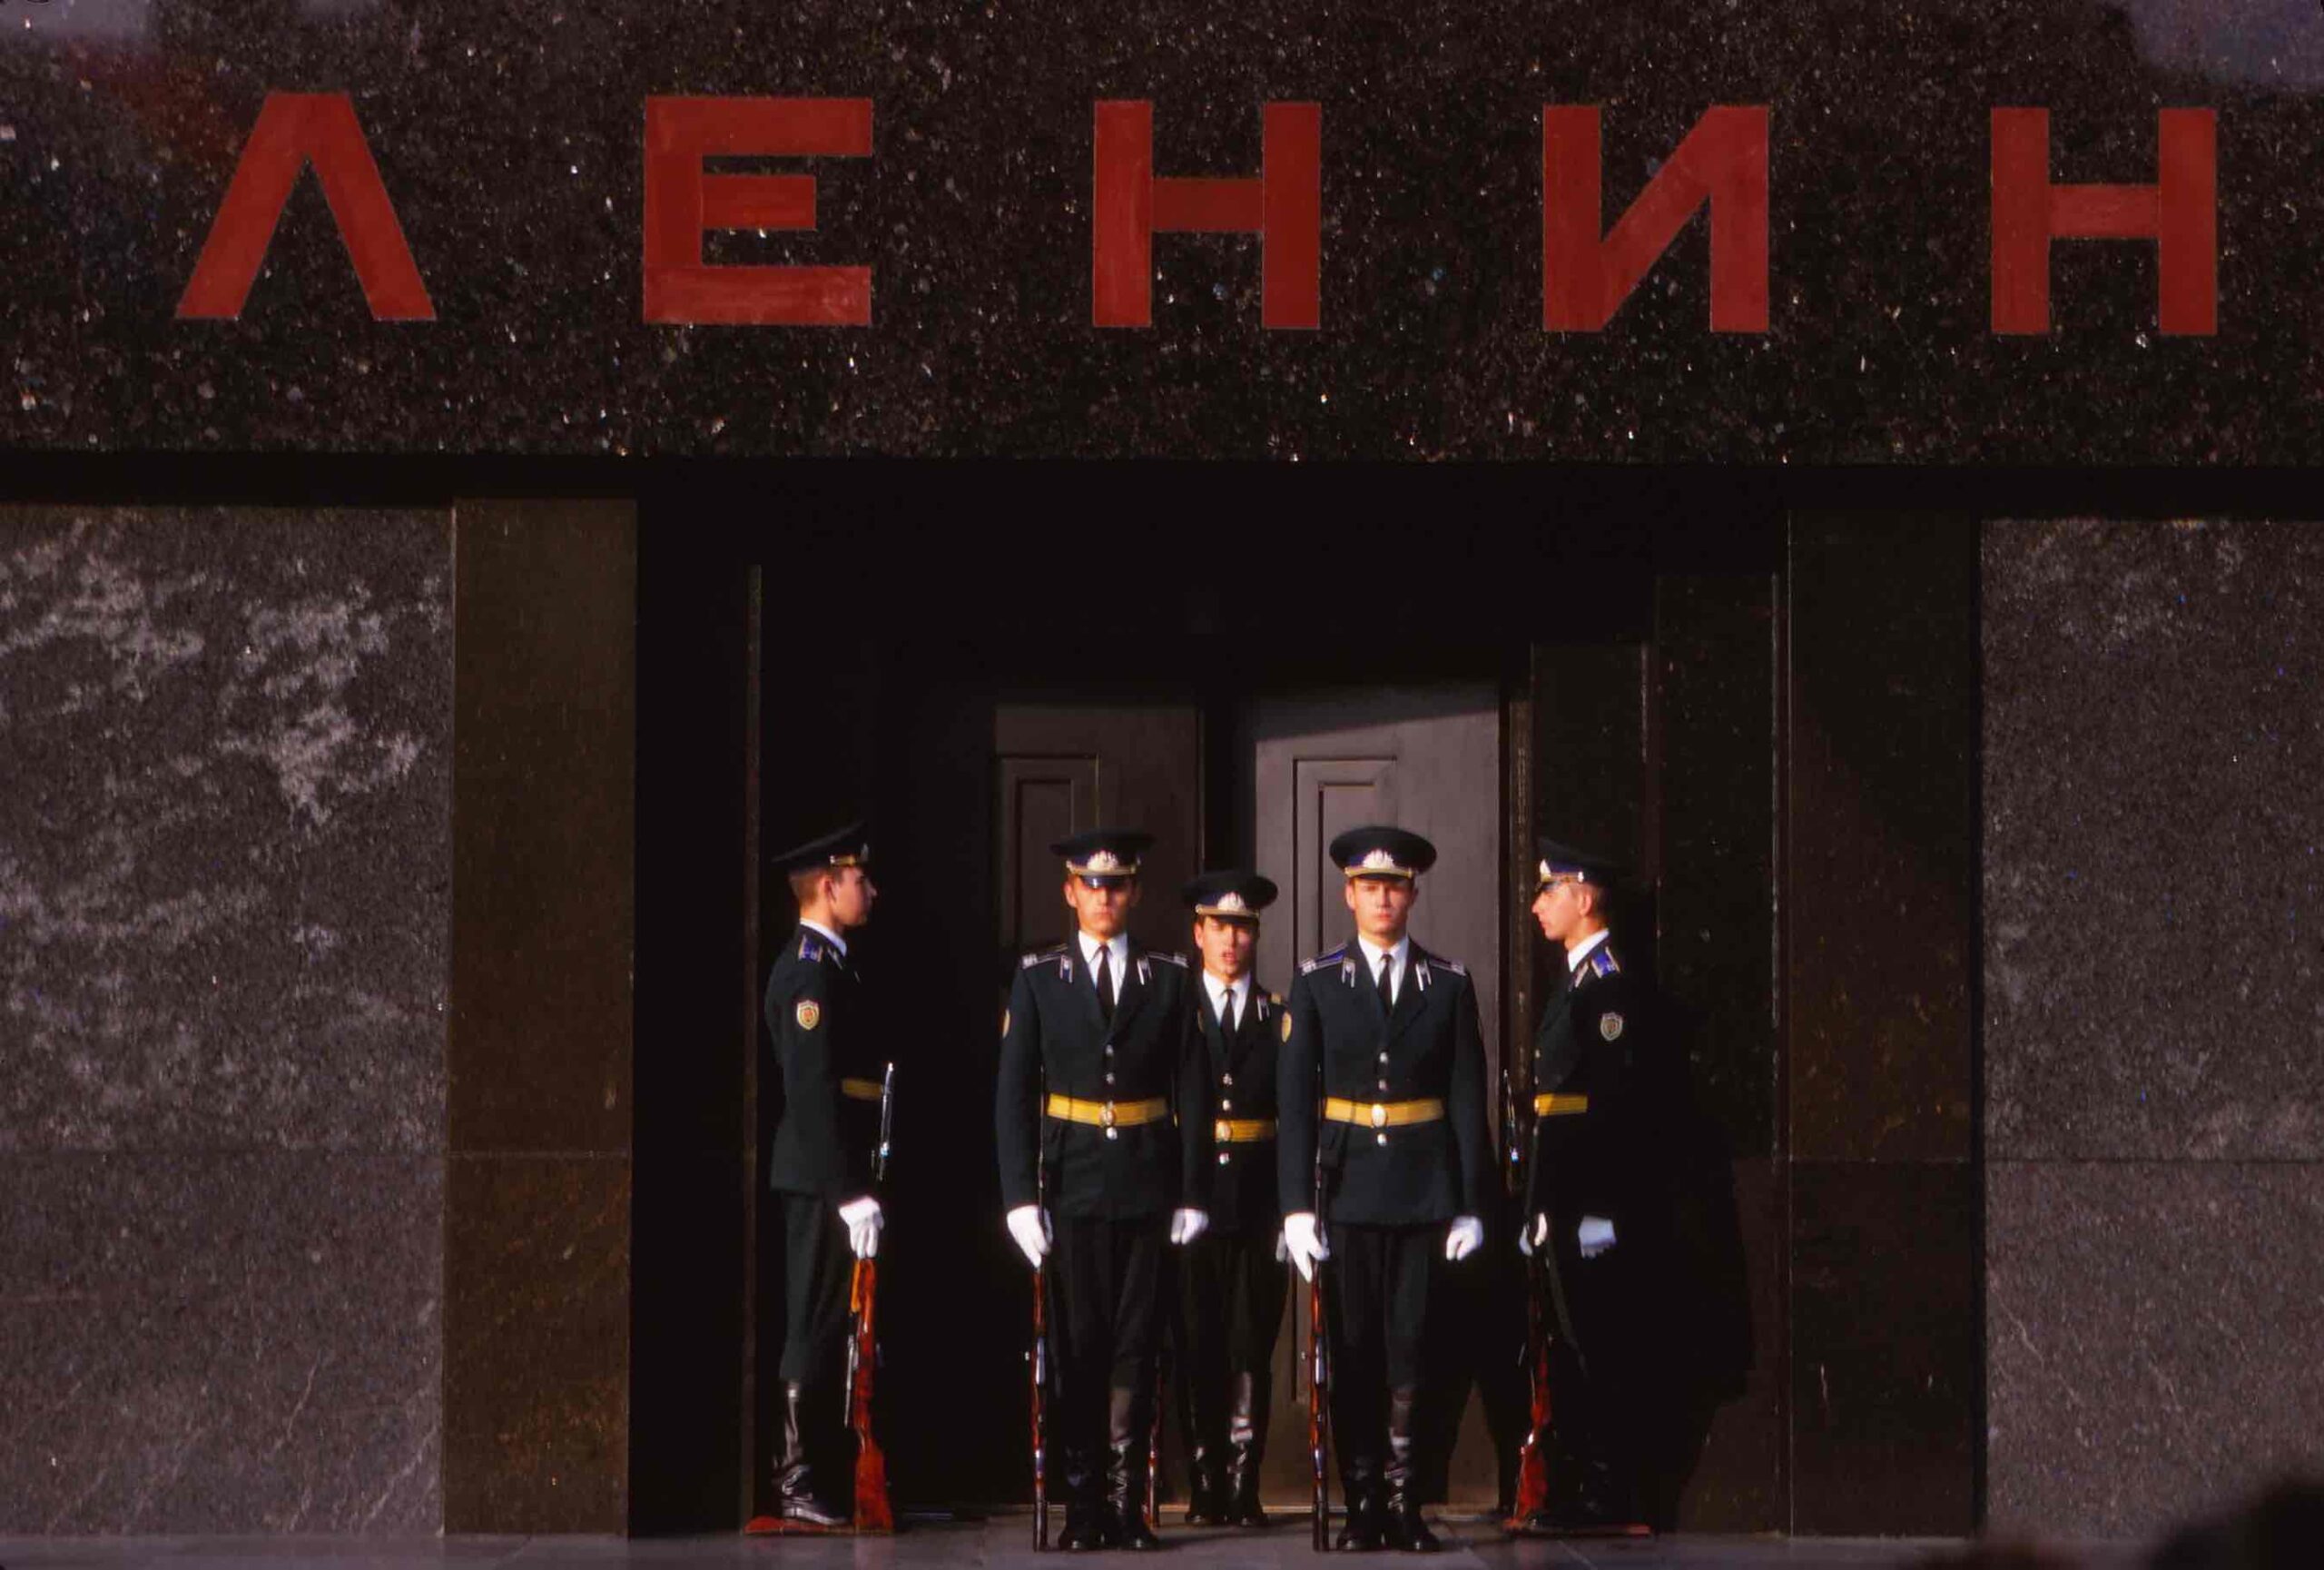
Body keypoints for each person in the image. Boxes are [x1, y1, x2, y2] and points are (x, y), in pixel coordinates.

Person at [997, 828, 1213, 1551]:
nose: (1104, 896)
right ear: (1069, 892)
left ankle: (1129, 1505)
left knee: (1137, 1347)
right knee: (1079, 1347)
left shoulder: (1171, 979)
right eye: (1091, 885)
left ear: (1135, 893)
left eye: (1117, 884)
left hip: (1147, 1184)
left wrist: (1191, 1192)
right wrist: (1019, 1197)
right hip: (1073, 1185)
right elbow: (1013, 1095)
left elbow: (1194, 1089)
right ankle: (1083, 1504)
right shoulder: (1037, 980)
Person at [1278, 825, 1491, 1554]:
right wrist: (1296, 1208)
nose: (1382, 897)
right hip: (1345, 1194)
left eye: (1394, 885)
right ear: (1348, 893)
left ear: (1412, 894)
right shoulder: (1315, 983)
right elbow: (1295, 1105)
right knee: (1355, 1350)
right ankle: (1362, 1499)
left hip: (1424, 1191)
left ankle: (1405, 1500)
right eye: (1369, 886)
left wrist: (1471, 1203)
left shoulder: (1450, 985)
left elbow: (1467, 1100)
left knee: (1413, 1352)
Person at [1512, 840, 1669, 1535]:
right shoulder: (1576, 979)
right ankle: (1582, 1489)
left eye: (1551, 891)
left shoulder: (1606, 983)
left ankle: (1608, 1494)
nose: (1538, 903)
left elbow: (1616, 1104)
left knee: (1598, 1348)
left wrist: (1600, 1207)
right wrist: (1539, 1202)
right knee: (1574, 1345)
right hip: (1563, 1196)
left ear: (1585, 896)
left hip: (1590, 1203)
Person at [759, 822, 886, 1528]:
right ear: (828, 884)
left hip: (837, 1171)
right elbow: (810, 1093)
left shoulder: (836, 964)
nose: (870, 889)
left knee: (840, 1319)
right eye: (860, 878)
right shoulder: (809, 969)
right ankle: (794, 1475)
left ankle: (819, 1469)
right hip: (818, 1178)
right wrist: (846, 1193)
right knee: (811, 1318)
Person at [1172, 870, 1289, 1528]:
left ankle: (1244, 1485)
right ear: (1198, 933)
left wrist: (1289, 1208)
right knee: (1196, 1345)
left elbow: (1292, 1116)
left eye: (1243, 928)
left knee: (1250, 1346)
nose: (1232, 940)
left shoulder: (1278, 1015)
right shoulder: (1175, 1008)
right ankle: (1203, 1482)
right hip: (1192, 1203)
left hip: (1256, 1204)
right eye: (1220, 926)